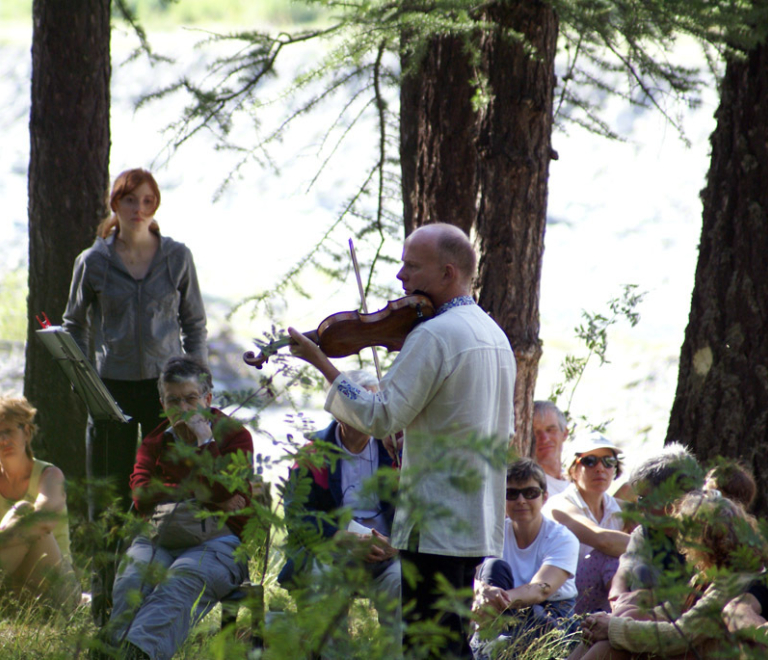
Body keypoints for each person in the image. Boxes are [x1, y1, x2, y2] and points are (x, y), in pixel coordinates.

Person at [287, 223, 517, 658]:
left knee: (430, 645)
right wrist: (412, 441)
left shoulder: (433, 334)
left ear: (448, 273)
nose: (400, 277)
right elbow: (491, 431)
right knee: (446, 639)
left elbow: (379, 414)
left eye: (411, 266)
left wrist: (322, 363)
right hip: (473, 517)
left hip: (433, 522)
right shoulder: (493, 335)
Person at [63, 168, 207, 620]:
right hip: (112, 392)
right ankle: (103, 607)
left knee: (169, 491)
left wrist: (198, 386)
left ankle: (155, 600)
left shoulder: (177, 257)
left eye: (147, 201)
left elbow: (194, 324)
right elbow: (73, 324)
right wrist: (84, 383)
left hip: (168, 393)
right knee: (109, 496)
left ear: (155, 206)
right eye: (130, 200)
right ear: (115, 205)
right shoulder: (94, 261)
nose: (139, 209)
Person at [105, 356, 252, 660]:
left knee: (179, 583)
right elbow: (141, 496)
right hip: (158, 537)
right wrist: (205, 497)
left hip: (216, 542)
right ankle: (115, 652)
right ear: (162, 402)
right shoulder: (156, 440)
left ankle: (134, 655)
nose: (183, 409)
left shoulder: (236, 437)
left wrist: (205, 441)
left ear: (208, 399)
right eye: (173, 400)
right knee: (133, 580)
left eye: (191, 399)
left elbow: (225, 487)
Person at [279, 370, 401, 655]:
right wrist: (340, 538)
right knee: (321, 583)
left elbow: (419, 508)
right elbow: (297, 516)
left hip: (388, 549)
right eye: (363, 404)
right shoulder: (313, 454)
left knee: (401, 583)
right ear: (339, 411)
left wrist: (398, 543)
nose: (372, 412)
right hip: (333, 550)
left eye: (376, 403)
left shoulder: (395, 450)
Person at [575, 491, 763, 660]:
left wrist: (613, 628)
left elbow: (680, 636)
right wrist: (613, 622)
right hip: (688, 647)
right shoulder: (709, 575)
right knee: (626, 616)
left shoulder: (733, 582)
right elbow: (673, 610)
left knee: (610, 647)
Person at [469, 459, 578, 660]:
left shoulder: (562, 538)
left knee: (530, 617)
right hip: (499, 615)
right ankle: (486, 642)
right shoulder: (494, 534)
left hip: (548, 615)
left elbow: (540, 589)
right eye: (512, 494)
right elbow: (468, 576)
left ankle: (484, 646)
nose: (521, 500)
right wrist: (481, 591)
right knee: (493, 566)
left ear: (544, 497)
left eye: (530, 493)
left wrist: (493, 602)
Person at [0, 396, 80, 610]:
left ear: (26, 432)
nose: (3, 440)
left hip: (57, 591)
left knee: (25, 511)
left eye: (9, 431)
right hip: (14, 590)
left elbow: (44, 520)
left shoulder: (51, 475)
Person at [543, 431, 630, 614]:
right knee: (608, 556)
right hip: (562, 601)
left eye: (608, 461)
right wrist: (650, 546)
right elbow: (602, 539)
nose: (600, 468)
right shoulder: (559, 505)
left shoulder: (620, 509)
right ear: (573, 470)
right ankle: (626, 617)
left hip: (600, 600)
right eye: (590, 461)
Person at [532, 401, 570, 495]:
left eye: (550, 430)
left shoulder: (578, 482)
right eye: (535, 433)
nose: (544, 439)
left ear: (565, 433)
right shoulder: (529, 486)